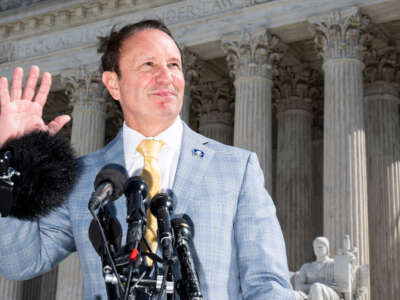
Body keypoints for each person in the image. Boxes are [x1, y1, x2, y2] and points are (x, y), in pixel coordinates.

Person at [0, 20, 294, 299]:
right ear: (113, 83)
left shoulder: (235, 169)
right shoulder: (82, 176)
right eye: (148, 65)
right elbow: (19, 262)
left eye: (174, 65)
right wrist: (11, 164)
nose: (165, 76)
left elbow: (268, 283)